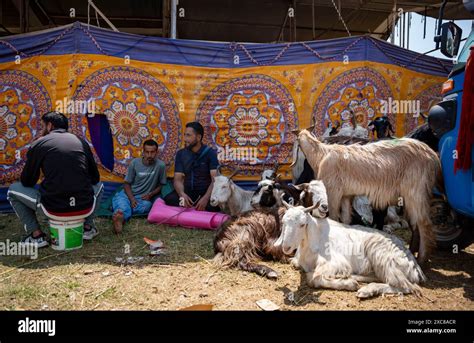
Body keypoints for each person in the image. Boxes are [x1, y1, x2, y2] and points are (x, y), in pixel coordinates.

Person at [7, 111, 103, 248]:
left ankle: (36, 235)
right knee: (100, 185)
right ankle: (87, 228)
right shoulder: (81, 142)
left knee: (13, 190)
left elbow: (27, 182)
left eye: (43, 126)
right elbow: (95, 178)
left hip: (54, 209)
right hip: (84, 207)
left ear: (50, 125)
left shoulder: (40, 143)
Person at [112, 139, 167, 233]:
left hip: (142, 199)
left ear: (157, 152)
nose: (149, 155)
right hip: (128, 195)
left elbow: (162, 184)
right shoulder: (135, 163)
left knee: (147, 205)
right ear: (143, 152)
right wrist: (132, 199)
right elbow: (126, 184)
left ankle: (121, 212)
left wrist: (151, 194)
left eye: (152, 152)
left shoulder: (161, 165)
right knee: (123, 202)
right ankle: (120, 218)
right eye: (147, 152)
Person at [164, 122, 219, 212]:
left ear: (198, 137)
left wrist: (205, 198)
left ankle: (199, 205)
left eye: (188, 135)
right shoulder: (181, 154)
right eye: (184, 135)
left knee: (213, 205)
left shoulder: (210, 153)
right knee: (169, 199)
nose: (185, 139)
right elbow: (178, 179)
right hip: (188, 193)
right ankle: (188, 203)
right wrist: (182, 194)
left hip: (205, 193)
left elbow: (215, 180)